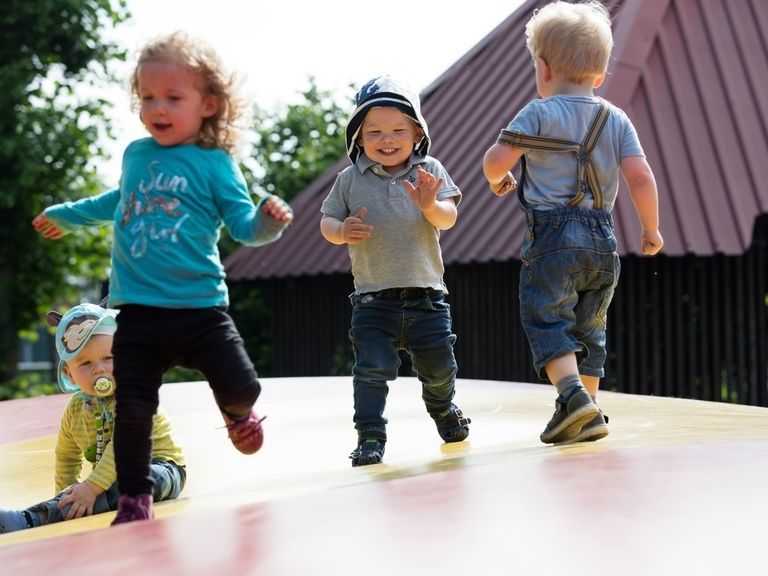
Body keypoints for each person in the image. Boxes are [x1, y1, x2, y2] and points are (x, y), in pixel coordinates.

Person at [32, 31, 293, 524]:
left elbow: (243, 226)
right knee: (133, 410)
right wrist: (68, 215)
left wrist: (268, 223)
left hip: (200, 310)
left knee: (242, 386)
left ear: (208, 104)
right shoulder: (136, 154)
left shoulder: (216, 165)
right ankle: (134, 500)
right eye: (148, 96)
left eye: (173, 97)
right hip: (138, 313)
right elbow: (115, 202)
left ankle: (237, 415)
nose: (157, 106)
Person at [482, 0, 663, 445]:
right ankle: (587, 410)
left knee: (547, 318)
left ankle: (572, 395)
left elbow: (493, 161)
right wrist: (650, 229)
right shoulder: (615, 118)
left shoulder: (538, 113)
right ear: (600, 75)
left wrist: (499, 178)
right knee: (590, 326)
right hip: (603, 238)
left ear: (542, 69)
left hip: (552, 237)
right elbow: (640, 176)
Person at [320, 75, 470, 467]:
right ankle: (370, 435)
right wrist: (342, 231)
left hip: (427, 296)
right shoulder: (349, 180)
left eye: (398, 130)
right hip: (373, 299)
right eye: (375, 132)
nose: (387, 139)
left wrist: (428, 204)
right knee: (371, 371)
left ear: (417, 132)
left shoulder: (430, 170)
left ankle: (443, 409)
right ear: (358, 136)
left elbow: (448, 217)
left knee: (439, 369)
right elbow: (326, 223)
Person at [0, 303, 186, 534]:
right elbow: (67, 456)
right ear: (70, 374)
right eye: (86, 363)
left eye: (109, 358)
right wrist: (65, 495)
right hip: (111, 479)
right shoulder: (76, 410)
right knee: (86, 496)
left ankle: (35, 518)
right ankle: (45, 514)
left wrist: (91, 487)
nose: (99, 369)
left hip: (161, 467)